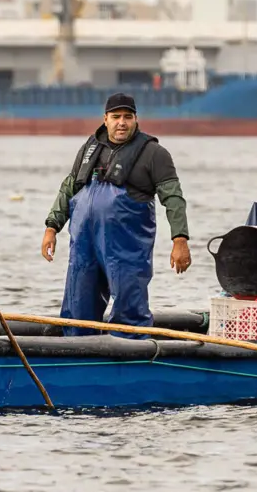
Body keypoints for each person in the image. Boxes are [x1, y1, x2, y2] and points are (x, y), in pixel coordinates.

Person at [40, 92, 191, 336]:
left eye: (127, 117)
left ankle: (132, 347)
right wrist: (51, 227)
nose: (122, 122)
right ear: (105, 119)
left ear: (136, 119)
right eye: (116, 116)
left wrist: (180, 239)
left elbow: (173, 198)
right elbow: (69, 188)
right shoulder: (89, 148)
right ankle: (76, 346)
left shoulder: (154, 153)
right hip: (84, 246)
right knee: (78, 303)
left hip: (126, 248)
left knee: (129, 305)